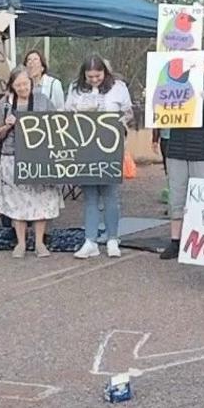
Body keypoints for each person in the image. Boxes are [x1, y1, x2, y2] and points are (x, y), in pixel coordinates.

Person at [160, 51, 204, 259]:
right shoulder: (173, 85)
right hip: (177, 146)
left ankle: (201, 240)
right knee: (177, 194)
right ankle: (175, 240)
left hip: (202, 149)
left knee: (202, 195)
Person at [66, 54, 132, 259]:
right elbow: (67, 113)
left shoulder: (118, 87)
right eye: (90, 76)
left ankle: (113, 238)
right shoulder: (74, 88)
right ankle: (90, 240)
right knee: (90, 196)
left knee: (110, 194)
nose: (94, 80)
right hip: (84, 147)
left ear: (105, 72)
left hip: (109, 146)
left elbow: (128, 112)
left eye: (98, 75)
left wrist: (119, 121)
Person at [0, 69, 62, 258]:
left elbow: (57, 126)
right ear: (12, 86)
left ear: (31, 83)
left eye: (26, 84)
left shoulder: (43, 101)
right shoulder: (4, 104)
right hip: (12, 156)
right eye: (18, 85)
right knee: (17, 203)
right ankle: (21, 243)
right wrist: (7, 125)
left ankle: (39, 243)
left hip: (38, 156)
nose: (23, 88)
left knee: (40, 200)